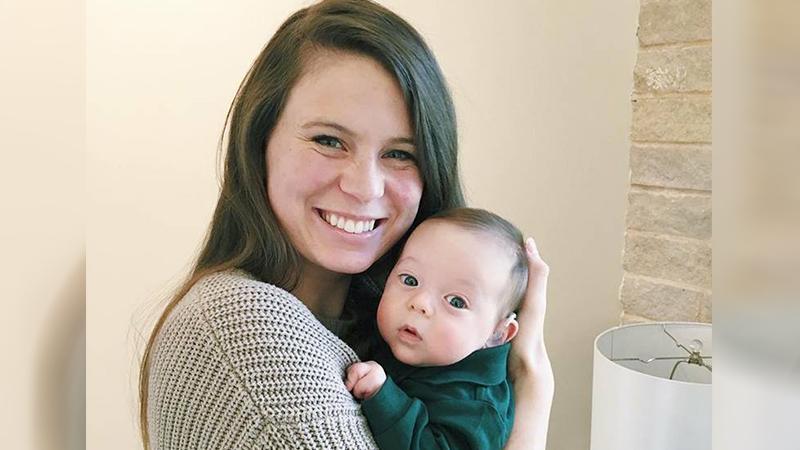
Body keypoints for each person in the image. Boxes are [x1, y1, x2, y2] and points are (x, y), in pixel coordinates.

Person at [139, 1, 554, 449]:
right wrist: (534, 388)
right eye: (329, 140)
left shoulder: (389, 332)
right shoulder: (245, 327)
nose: (364, 186)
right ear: (260, 141)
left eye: (399, 154)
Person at [345, 207, 528, 449]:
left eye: (456, 301)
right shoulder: (378, 331)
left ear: (498, 334)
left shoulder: (478, 409)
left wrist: (383, 396)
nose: (420, 303)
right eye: (410, 280)